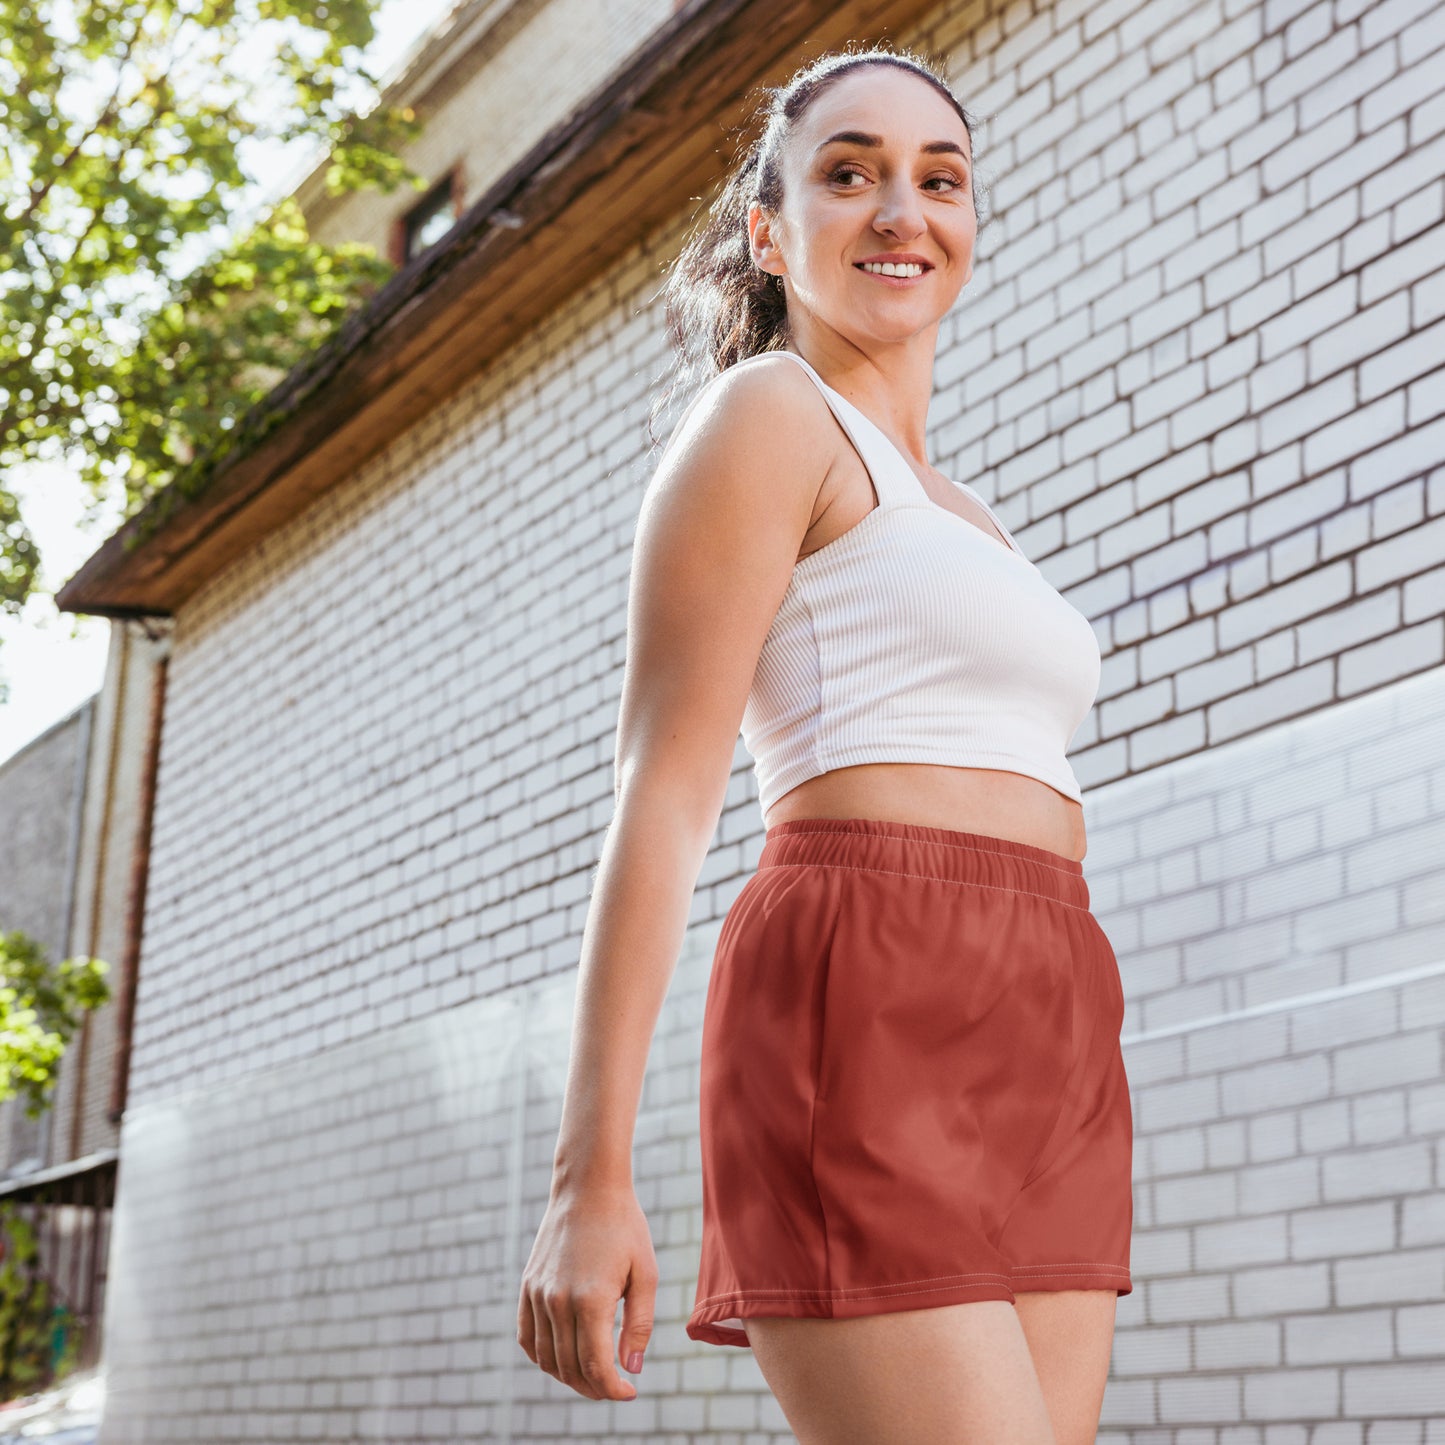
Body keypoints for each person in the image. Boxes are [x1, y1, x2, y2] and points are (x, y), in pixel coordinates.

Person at [516, 44, 1134, 1445]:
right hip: (863, 976)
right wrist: (587, 1176)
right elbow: (661, 797)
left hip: (1050, 1005)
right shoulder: (766, 417)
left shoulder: (969, 510)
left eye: (939, 179)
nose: (900, 210)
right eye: (848, 173)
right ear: (767, 230)